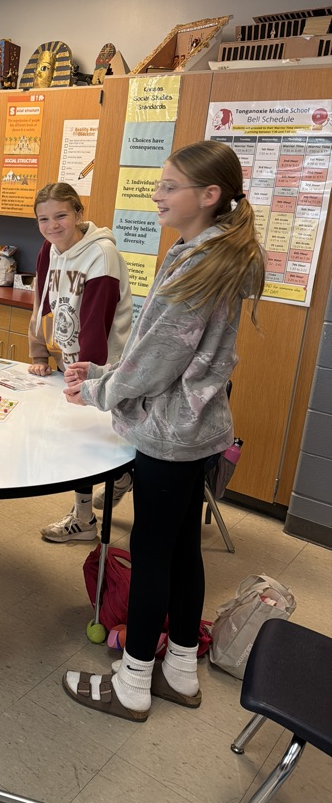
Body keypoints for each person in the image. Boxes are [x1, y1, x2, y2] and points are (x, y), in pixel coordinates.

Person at [61, 140, 265, 721]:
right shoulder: (221, 249)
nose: (157, 194)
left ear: (209, 195)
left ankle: (132, 683)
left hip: (171, 435)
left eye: (169, 185)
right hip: (199, 427)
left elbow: (156, 362)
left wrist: (100, 388)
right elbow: (164, 355)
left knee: (151, 556)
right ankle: (178, 669)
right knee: (181, 553)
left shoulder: (199, 264)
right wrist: (108, 373)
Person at [28, 183, 133, 543]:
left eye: (60, 215)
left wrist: (87, 377)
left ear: (78, 213)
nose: (52, 225)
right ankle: (92, 507)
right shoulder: (49, 250)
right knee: (76, 440)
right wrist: (40, 352)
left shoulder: (101, 255)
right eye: (44, 219)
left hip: (99, 366)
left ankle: (89, 513)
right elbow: (42, 303)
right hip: (69, 364)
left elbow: (96, 323)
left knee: (85, 443)